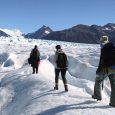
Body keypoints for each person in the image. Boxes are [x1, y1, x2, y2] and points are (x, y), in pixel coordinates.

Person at [92, 36, 115, 107]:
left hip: (105, 68)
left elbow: (102, 60)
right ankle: (113, 103)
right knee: (114, 85)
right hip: (114, 69)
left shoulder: (104, 47)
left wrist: (98, 69)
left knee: (98, 80)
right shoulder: (113, 46)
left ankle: (97, 96)